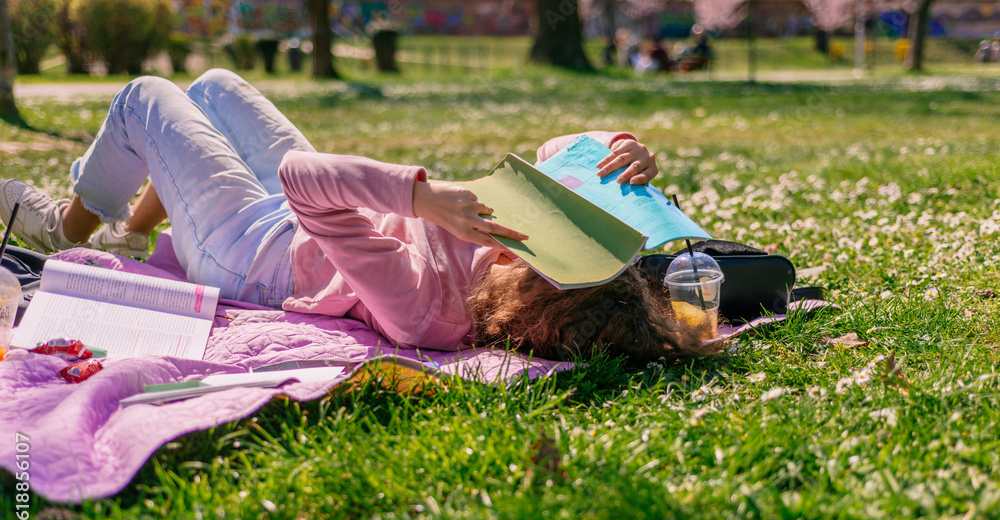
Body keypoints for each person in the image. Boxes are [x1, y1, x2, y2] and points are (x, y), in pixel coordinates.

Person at [0, 70, 709, 362]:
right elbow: (563, 154)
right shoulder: (521, 249)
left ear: (525, 285)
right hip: (310, 217)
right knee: (214, 86)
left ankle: (64, 230)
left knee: (145, 97)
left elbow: (301, 181)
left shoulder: (424, 309)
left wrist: (419, 198)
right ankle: (137, 231)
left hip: (251, 245)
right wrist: (621, 149)